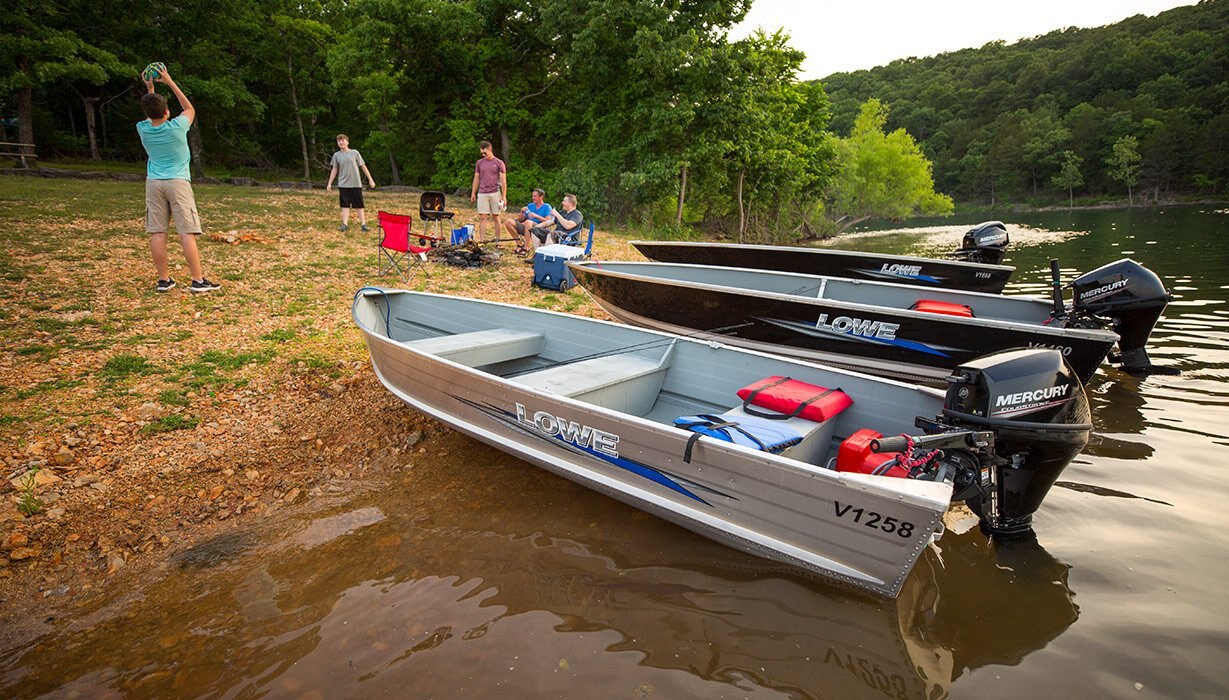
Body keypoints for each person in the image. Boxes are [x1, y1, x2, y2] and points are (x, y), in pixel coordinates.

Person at [137, 66, 220, 293]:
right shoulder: (177, 127)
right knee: (186, 232)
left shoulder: (143, 128)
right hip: (178, 182)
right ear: (166, 111)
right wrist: (170, 82)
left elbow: (151, 114)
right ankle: (198, 280)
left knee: (158, 232)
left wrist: (150, 89)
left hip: (153, 183)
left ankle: (164, 280)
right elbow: (189, 108)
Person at [325, 134, 377, 232]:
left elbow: (363, 166)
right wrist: (329, 183)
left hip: (355, 183)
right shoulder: (336, 155)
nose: (341, 142)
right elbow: (334, 169)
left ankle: (363, 224)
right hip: (343, 184)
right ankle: (345, 224)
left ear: (347, 142)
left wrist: (371, 179)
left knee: (359, 205)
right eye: (339, 141)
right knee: (345, 204)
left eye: (343, 140)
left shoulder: (355, 153)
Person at [469, 140, 506, 245]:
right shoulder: (479, 163)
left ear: (490, 150)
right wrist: (473, 192)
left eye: (485, 153)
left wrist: (504, 196)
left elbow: (503, 181)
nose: (483, 155)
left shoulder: (499, 163)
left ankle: (498, 240)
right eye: (481, 153)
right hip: (482, 192)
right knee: (483, 217)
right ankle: (481, 240)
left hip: (495, 192)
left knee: (496, 216)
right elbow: (476, 178)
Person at [526, 194, 583, 258]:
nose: (562, 203)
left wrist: (557, 214)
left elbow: (568, 226)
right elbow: (549, 222)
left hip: (568, 237)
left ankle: (546, 257)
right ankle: (537, 256)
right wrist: (537, 226)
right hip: (556, 235)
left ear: (571, 203)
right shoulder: (562, 212)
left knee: (552, 234)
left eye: (564, 201)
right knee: (535, 231)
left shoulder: (577, 215)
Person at [506, 188, 553, 255]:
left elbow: (549, 221)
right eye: (532, 196)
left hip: (539, 228)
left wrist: (536, 216)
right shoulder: (530, 206)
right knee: (508, 222)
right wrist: (522, 212)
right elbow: (520, 220)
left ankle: (526, 247)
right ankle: (519, 244)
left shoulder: (547, 206)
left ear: (541, 197)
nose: (533, 198)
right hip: (527, 227)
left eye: (535, 196)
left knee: (528, 222)